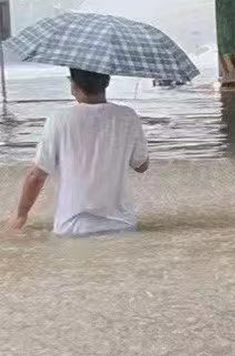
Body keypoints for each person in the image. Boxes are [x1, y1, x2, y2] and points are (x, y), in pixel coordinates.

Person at [8, 68, 149, 236]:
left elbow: (36, 176)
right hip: (122, 226)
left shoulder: (59, 118)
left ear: (73, 85)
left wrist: (21, 215)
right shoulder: (128, 115)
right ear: (107, 82)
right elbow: (141, 166)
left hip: (72, 228)